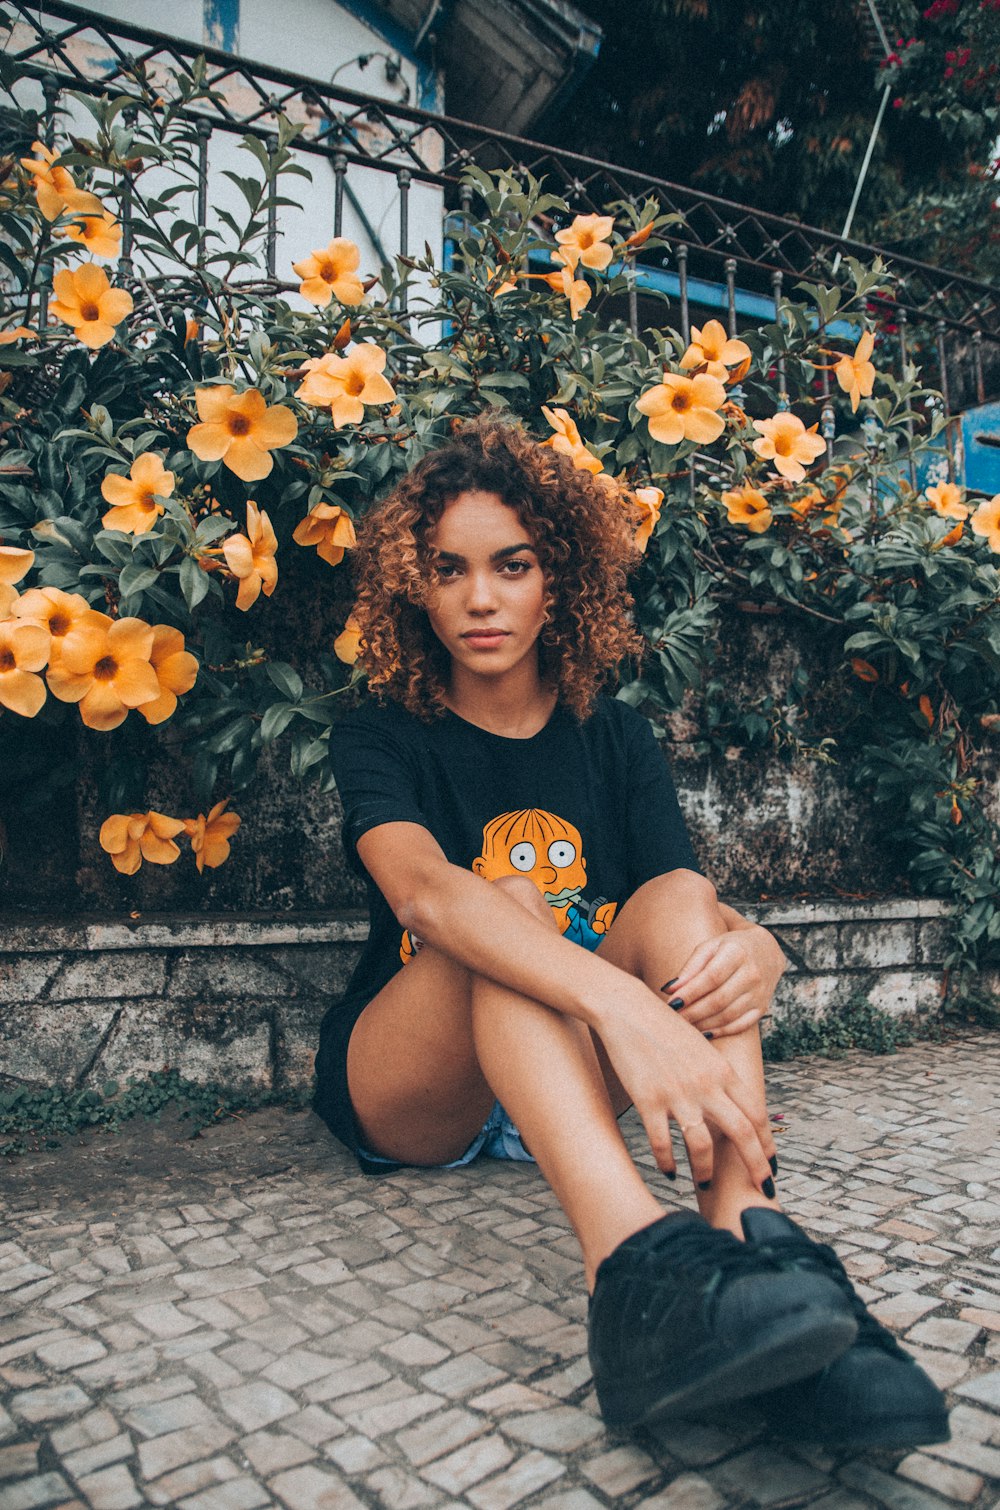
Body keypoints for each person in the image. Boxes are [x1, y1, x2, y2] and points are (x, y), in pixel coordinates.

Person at [313, 417, 948, 1447]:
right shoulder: (381, 730)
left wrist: (763, 950)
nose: (480, 598)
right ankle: (636, 1275)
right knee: (502, 901)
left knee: (688, 910)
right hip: (414, 1087)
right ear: (414, 589)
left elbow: (679, 904)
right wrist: (619, 1007)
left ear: (557, 578)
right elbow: (426, 894)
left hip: (556, 1072)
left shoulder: (612, 734)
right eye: (449, 569)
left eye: (511, 565)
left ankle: (757, 1248)